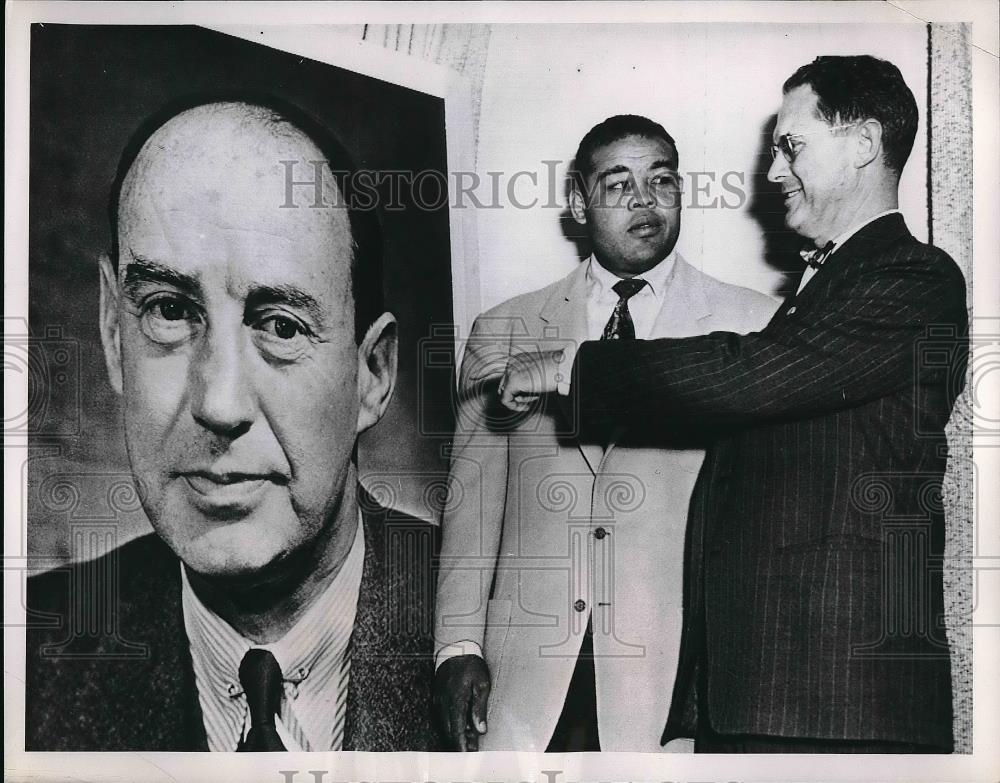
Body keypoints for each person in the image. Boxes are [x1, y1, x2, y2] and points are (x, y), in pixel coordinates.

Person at [497, 57, 967, 753]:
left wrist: (573, 364)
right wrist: (696, 706)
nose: (774, 171)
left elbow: (752, 372)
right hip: (780, 697)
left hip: (838, 702)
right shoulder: (829, 289)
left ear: (864, 144)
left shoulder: (912, 276)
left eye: (792, 146)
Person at [25, 96, 439, 752]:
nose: (219, 404)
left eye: (281, 325)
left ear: (373, 374)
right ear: (111, 333)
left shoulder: (520, 646)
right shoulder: (25, 658)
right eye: (167, 309)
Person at [434, 115, 777, 752]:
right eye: (618, 184)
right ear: (578, 203)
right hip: (525, 679)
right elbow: (472, 509)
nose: (645, 201)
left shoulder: (753, 327)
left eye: (662, 181)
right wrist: (458, 647)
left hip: (672, 681)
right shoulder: (503, 329)